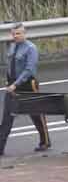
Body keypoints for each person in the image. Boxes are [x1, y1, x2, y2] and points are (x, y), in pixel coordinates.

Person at [0, 23, 50, 156]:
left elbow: (29, 70)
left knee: (36, 114)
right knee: (7, 116)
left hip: (28, 85)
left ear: (24, 33)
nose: (15, 36)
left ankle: (45, 141)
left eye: (18, 33)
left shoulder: (31, 48)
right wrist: (8, 81)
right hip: (12, 85)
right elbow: (10, 66)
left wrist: (15, 84)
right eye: (13, 34)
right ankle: (0, 147)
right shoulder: (12, 46)